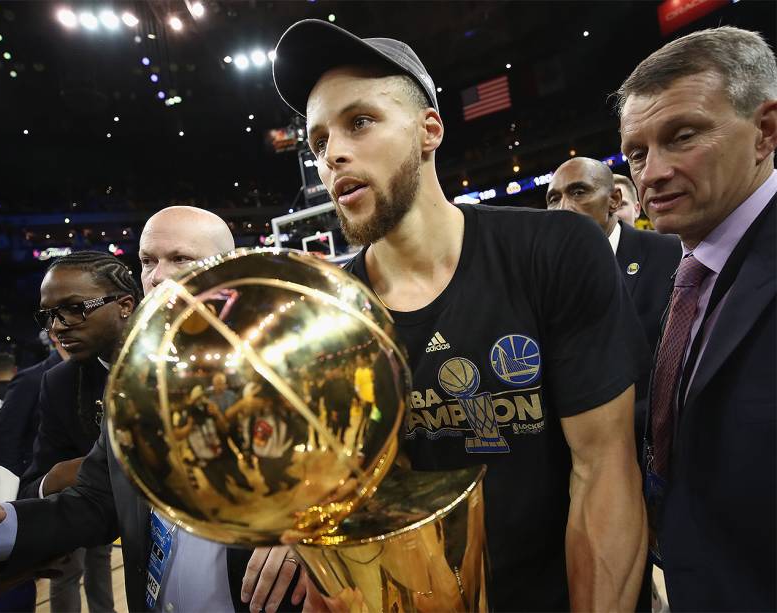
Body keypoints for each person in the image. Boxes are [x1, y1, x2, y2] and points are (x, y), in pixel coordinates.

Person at [271, 19, 648, 610]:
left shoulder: (555, 250)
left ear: (429, 130)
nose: (333, 154)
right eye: (319, 142)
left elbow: (604, 474)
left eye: (360, 122)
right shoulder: (322, 311)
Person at [0, 207, 303, 613]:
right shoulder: (132, 385)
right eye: (147, 261)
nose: (158, 276)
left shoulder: (297, 372)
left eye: (180, 259)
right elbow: (93, 502)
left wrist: (308, 536)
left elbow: (356, 486)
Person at [616, 26, 777, 610]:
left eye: (681, 137)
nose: (652, 172)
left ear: (766, 132)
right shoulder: (678, 267)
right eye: (637, 152)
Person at [17, 250, 139, 613]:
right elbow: (35, 483)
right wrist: (58, 478)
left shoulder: (190, 360)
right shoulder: (59, 382)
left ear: (125, 305)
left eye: (74, 308)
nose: (57, 326)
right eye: (49, 315)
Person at [547, 158, 681, 405]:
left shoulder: (670, 253)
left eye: (578, 192)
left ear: (614, 200)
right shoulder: (543, 277)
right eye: (554, 199)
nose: (563, 207)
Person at [0, 333, 68, 477]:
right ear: (53, 334)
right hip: (39, 485)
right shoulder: (29, 380)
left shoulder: (100, 376)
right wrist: (17, 488)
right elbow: (7, 439)